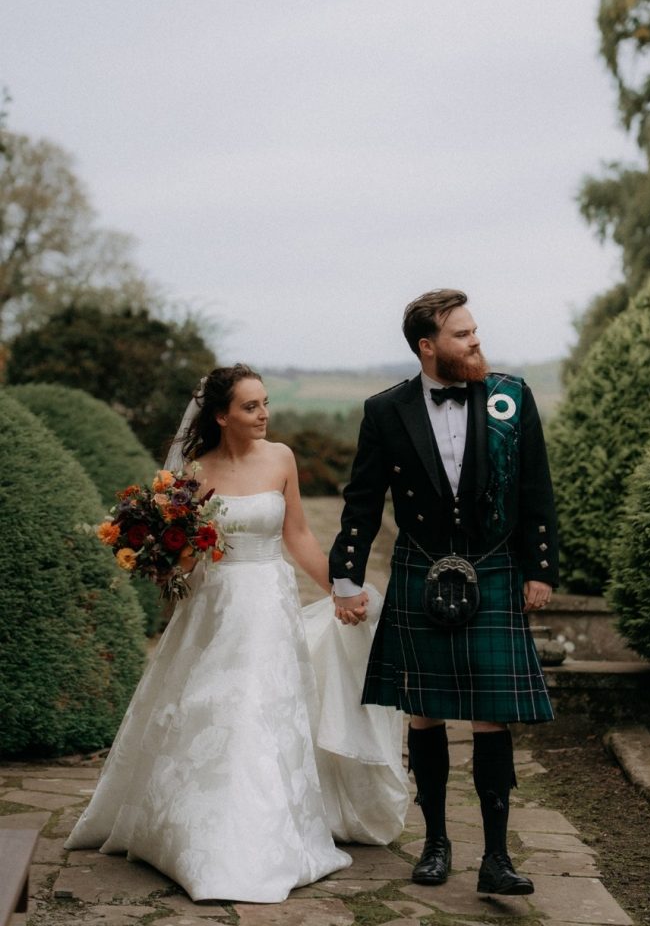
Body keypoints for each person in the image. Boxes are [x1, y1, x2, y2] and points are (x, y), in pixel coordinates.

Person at [65, 364, 407, 903]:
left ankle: (260, 836)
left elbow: (298, 534)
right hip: (215, 607)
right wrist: (162, 557)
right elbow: (183, 557)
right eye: (251, 406)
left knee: (261, 711)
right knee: (210, 709)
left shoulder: (282, 458)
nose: (264, 414)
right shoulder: (192, 473)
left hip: (270, 604)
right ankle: (197, 837)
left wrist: (340, 589)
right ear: (222, 416)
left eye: (266, 402)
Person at [329, 289, 558, 896]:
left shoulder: (511, 397)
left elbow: (536, 488)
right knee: (424, 712)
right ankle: (435, 844)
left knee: (493, 715)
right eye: (463, 334)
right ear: (428, 347)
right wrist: (346, 578)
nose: (476, 341)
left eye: (475, 330)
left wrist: (539, 569)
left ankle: (497, 858)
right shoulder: (387, 410)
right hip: (422, 564)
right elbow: (362, 499)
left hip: (493, 565)